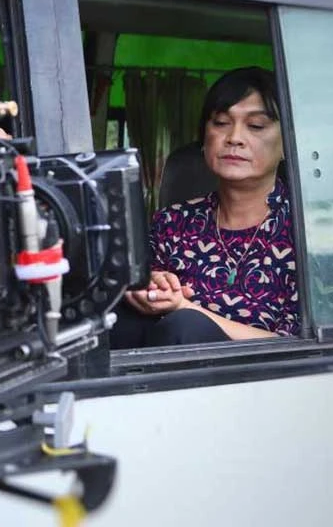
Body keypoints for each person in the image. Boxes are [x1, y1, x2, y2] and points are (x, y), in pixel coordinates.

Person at [110, 66, 299, 348]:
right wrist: (149, 287)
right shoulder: (172, 222)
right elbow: (142, 290)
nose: (234, 138)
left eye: (256, 126)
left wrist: (186, 308)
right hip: (161, 362)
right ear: (204, 137)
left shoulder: (306, 234)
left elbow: (299, 343)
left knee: (185, 326)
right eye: (221, 123)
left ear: (288, 144)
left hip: (262, 373)